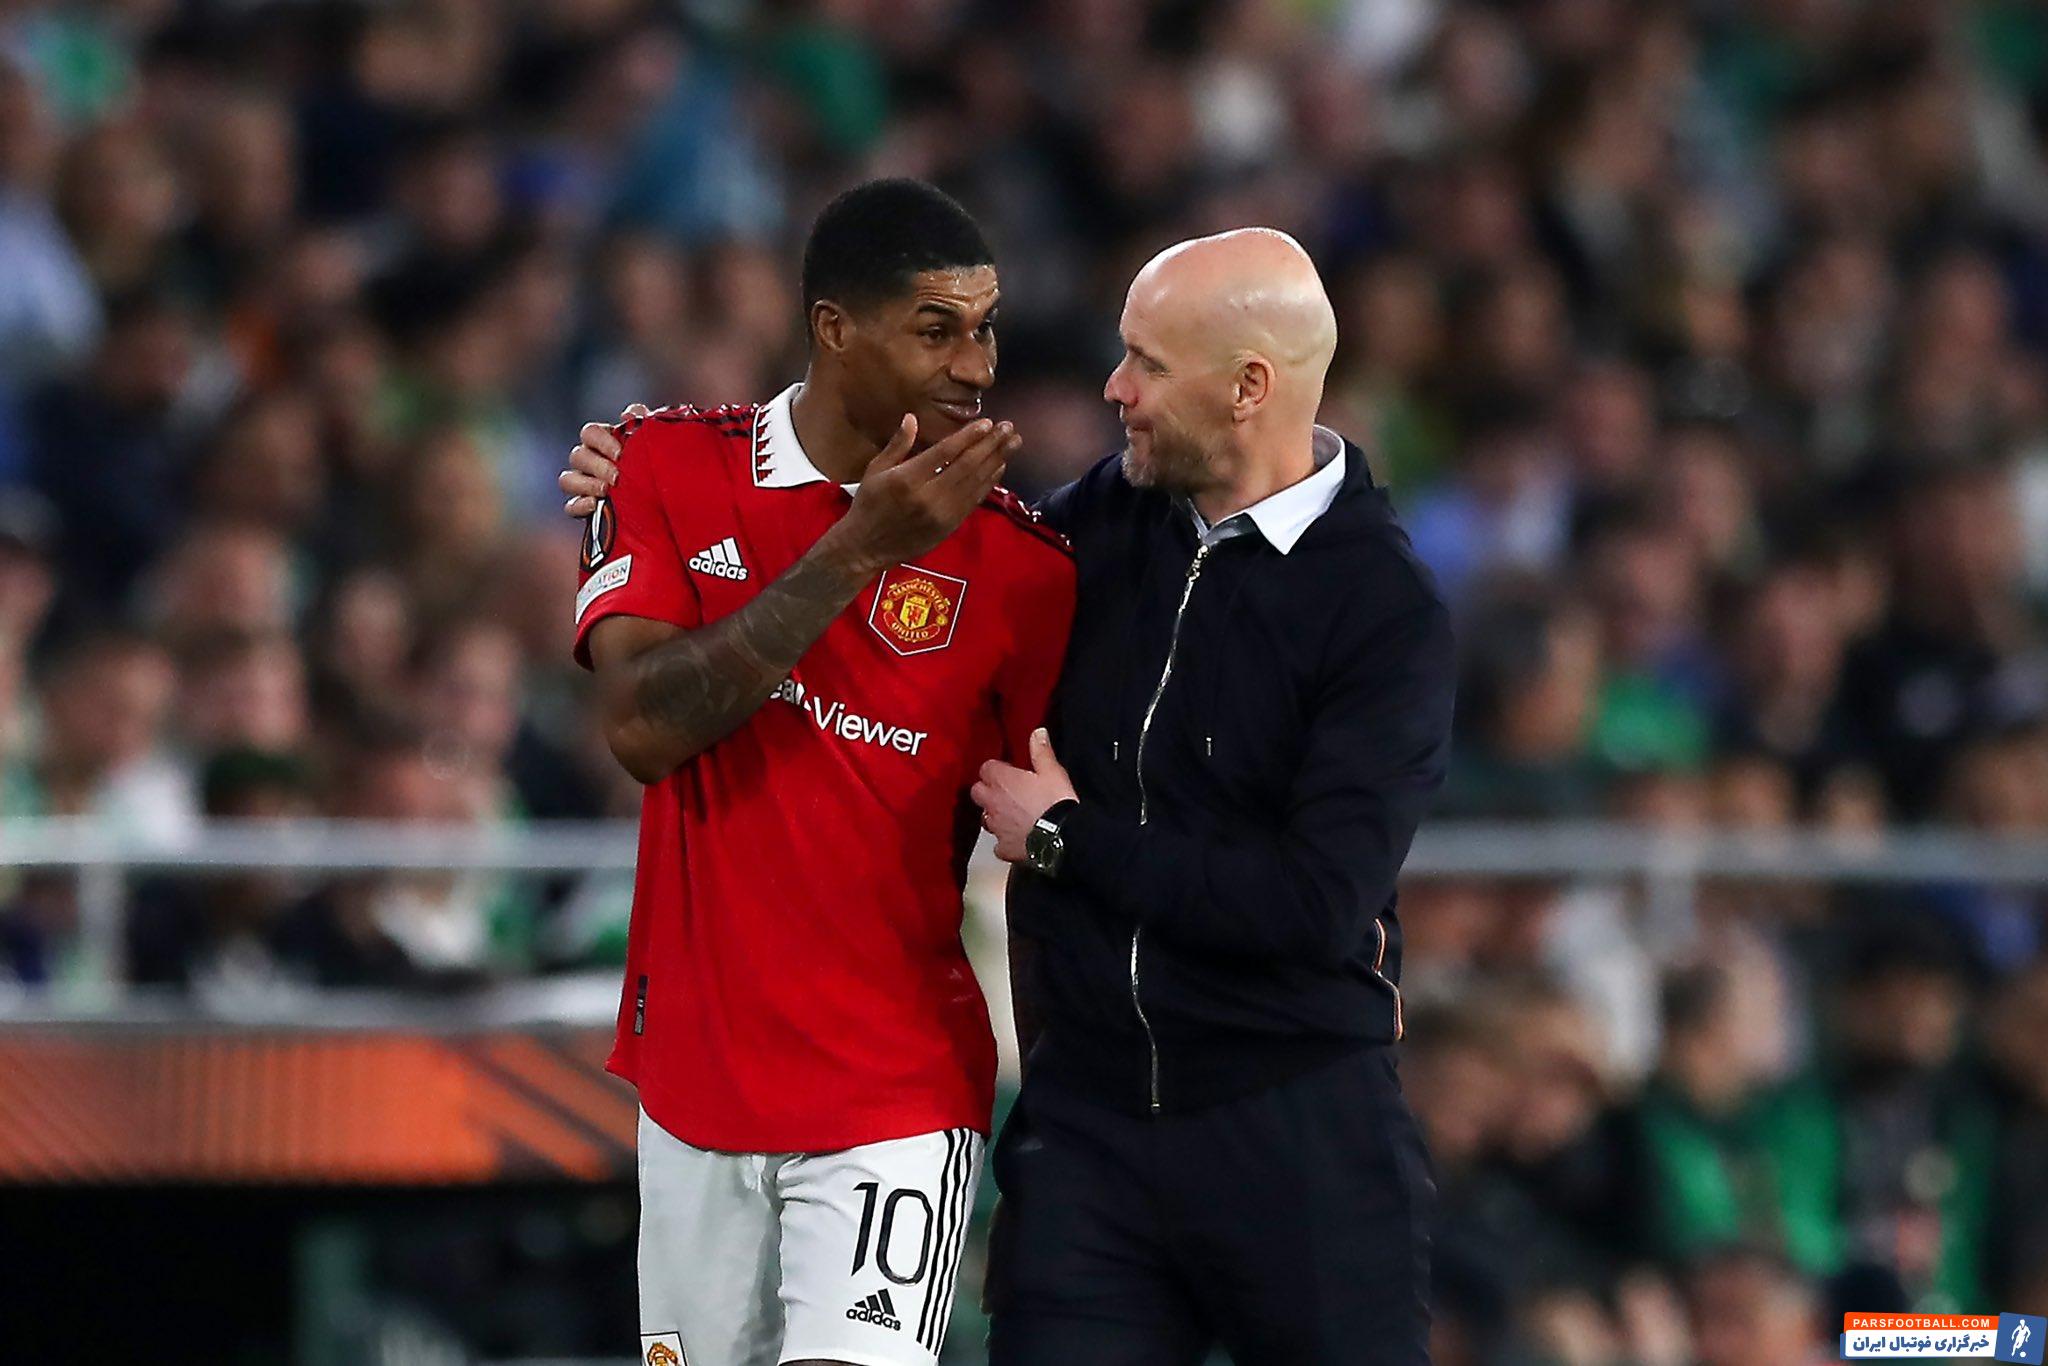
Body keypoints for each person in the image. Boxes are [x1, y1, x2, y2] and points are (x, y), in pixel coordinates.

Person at [567, 229, 1456, 1364]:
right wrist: (648, 475)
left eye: (1146, 363)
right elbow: (903, 540)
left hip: (1293, 1125)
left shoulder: (1381, 608)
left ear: (1247, 388)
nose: (1113, 388)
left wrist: (1070, 841)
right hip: (1088, 1128)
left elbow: (1315, 904)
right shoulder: (1092, 531)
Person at [569, 179, 1075, 1366]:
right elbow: (642, 729)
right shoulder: (660, 467)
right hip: (695, 1079)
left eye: (985, 329)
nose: (976, 367)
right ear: (834, 327)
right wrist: (856, 550)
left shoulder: (1022, 568)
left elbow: (1050, 849)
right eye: (936, 331)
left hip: (894, 1090)